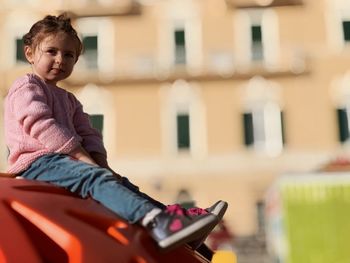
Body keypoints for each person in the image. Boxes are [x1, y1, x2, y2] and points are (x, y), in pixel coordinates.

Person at [4, 13, 228, 251]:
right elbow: (40, 124)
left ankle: (179, 227)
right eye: (52, 52)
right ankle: (156, 221)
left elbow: (89, 134)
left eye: (69, 55)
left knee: (122, 184)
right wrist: (83, 159)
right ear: (29, 53)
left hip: (65, 161)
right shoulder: (26, 86)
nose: (60, 59)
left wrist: (101, 162)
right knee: (95, 179)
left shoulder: (70, 100)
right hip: (38, 163)